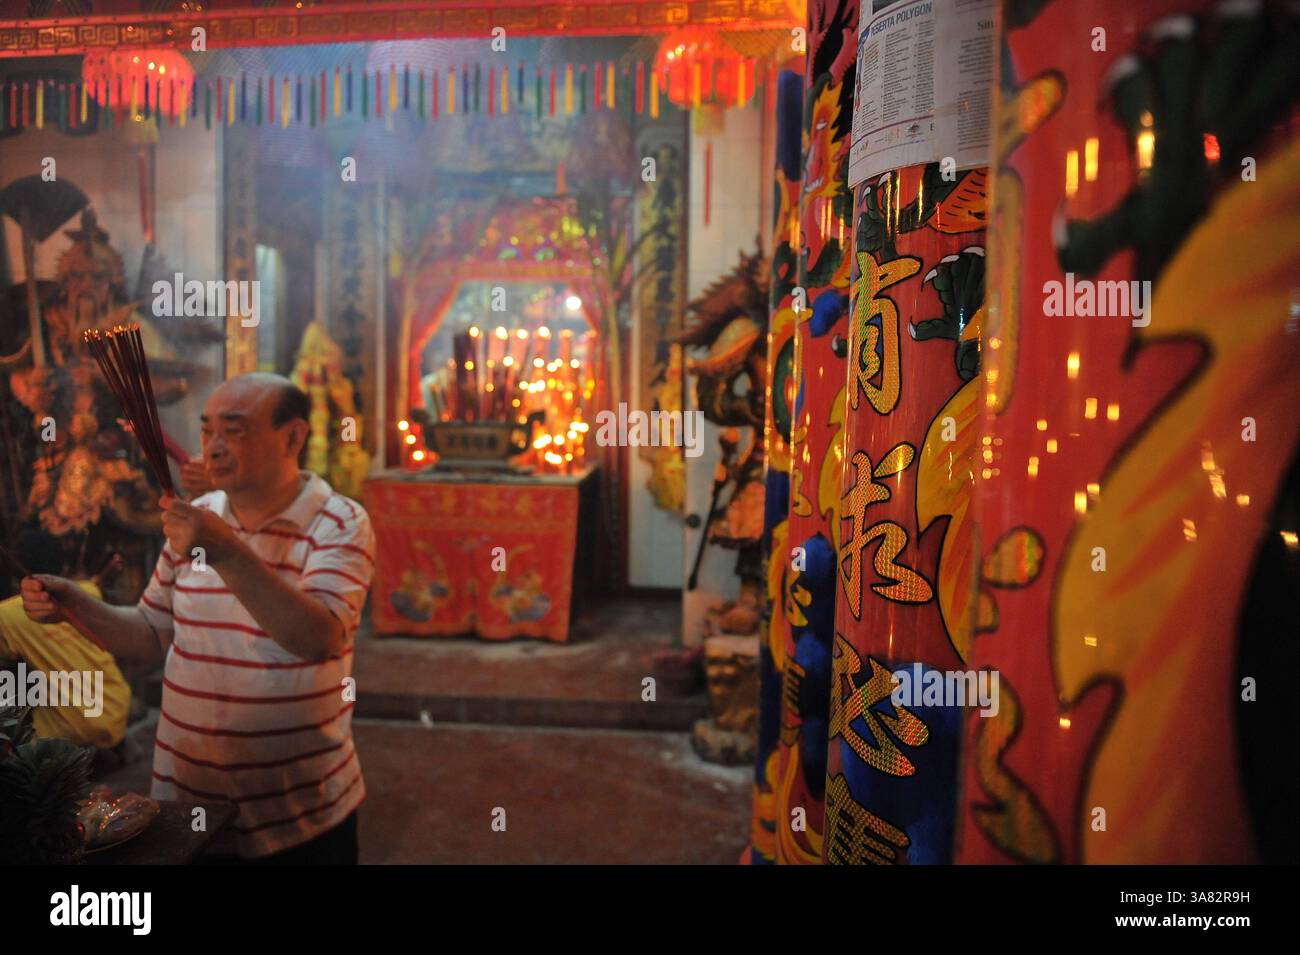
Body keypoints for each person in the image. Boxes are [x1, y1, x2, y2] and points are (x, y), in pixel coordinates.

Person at [22, 373, 374, 864]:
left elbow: (318, 638)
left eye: (234, 430)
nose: (213, 446)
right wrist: (76, 606)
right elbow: (150, 633)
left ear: (292, 436)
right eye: (207, 431)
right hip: (187, 800)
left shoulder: (338, 523)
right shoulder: (198, 517)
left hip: (300, 810)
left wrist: (225, 549)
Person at [0, 533, 131, 749]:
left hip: (68, 733)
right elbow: (92, 585)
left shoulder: (7, 616)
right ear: (62, 565)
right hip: (115, 712)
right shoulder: (86, 592)